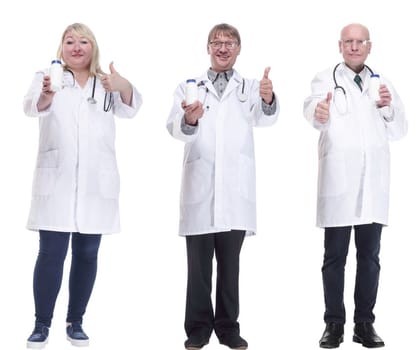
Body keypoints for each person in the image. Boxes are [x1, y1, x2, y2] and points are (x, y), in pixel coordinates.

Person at [21, 23, 142, 349]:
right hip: (57, 181)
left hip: (95, 184)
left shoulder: (106, 83)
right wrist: (46, 94)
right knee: (50, 254)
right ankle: (41, 324)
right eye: (70, 41)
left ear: (93, 47)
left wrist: (124, 84)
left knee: (87, 254)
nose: (77, 47)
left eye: (84, 41)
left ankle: (76, 321)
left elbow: (131, 109)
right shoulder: (46, 77)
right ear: (61, 47)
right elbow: (30, 107)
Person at [166, 23, 279, 350]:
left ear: (239, 49)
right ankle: (198, 329)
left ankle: (229, 328)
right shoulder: (189, 87)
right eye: (217, 42)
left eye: (230, 43)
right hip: (200, 187)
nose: (223, 47)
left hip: (235, 191)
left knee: (230, 268)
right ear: (208, 48)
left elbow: (266, 118)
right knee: (198, 269)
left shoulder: (252, 87)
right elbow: (174, 128)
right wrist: (190, 119)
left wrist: (269, 98)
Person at [303, 23, 407, 349]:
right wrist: (318, 111)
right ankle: (333, 325)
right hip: (339, 182)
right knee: (334, 258)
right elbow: (312, 110)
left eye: (360, 41)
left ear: (369, 46)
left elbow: (400, 129)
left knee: (370, 258)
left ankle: (365, 324)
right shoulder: (324, 79)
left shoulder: (383, 83)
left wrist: (387, 107)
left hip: (372, 184)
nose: (354, 46)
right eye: (348, 41)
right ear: (340, 45)